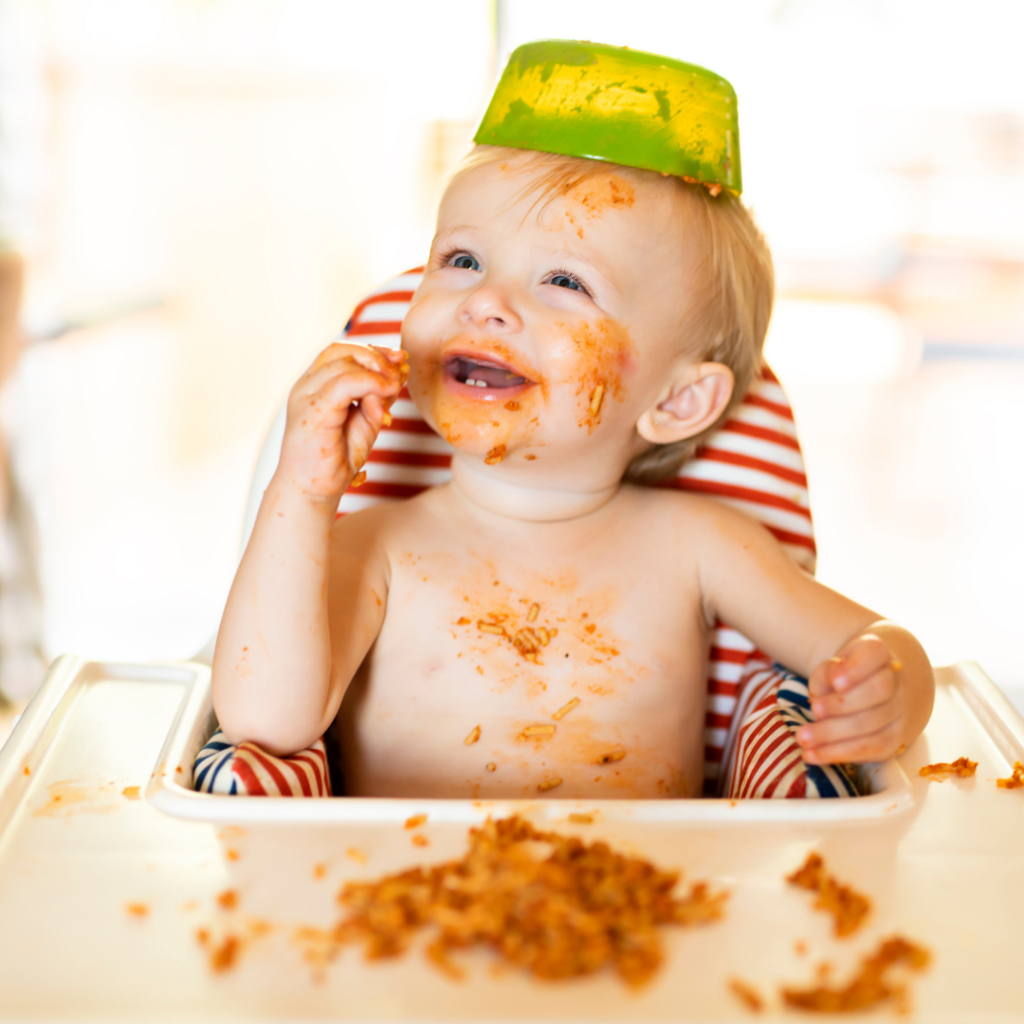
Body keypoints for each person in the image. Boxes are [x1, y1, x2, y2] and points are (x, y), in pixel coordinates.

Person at [211, 47, 934, 800]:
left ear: (677, 401)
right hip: (395, 896)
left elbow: (862, 643)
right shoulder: (376, 546)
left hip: (659, 905)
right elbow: (265, 724)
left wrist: (895, 683)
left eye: (564, 280)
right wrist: (303, 490)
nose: (484, 301)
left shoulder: (704, 546)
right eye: (460, 259)